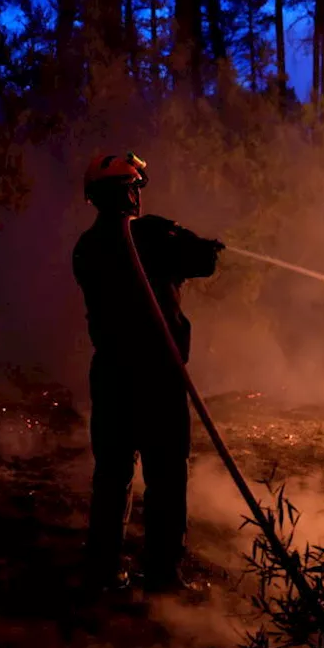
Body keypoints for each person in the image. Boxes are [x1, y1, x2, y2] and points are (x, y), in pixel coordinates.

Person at [73, 152, 223, 592]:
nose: (139, 194)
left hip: (112, 375)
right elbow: (203, 262)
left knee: (112, 473)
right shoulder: (154, 236)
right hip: (158, 376)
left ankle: (102, 569)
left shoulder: (87, 246)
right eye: (135, 186)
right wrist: (197, 242)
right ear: (127, 192)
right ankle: (161, 574)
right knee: (166, 475)